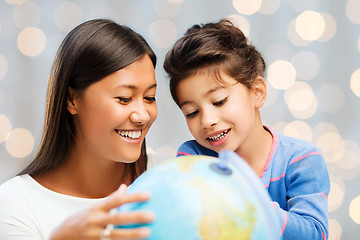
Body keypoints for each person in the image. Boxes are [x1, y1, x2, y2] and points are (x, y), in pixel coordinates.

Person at [163, 19, 330, 240]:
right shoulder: (193, 158)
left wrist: (245, 199)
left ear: (257, 92)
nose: (207, 120)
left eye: (219, 101)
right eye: (192, 112)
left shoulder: (302, 159)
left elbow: (314, 234)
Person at [0, 19, 158, 240]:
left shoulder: (165, 188)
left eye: (150, 97)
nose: (142, 116)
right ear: (72, 100)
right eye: (124, 98)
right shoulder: (16, 203)